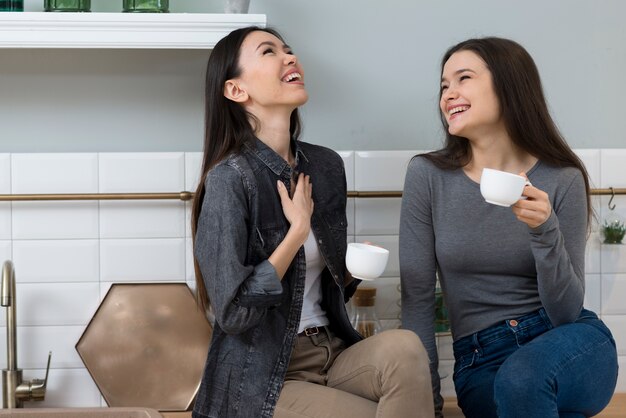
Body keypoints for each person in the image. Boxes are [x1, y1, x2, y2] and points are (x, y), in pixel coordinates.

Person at [191, 26, 434, 418]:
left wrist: (352, 269)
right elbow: (234, 314)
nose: (290, 58)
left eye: (289, 50)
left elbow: (325, 285)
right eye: (269, 52)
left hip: (332, 351)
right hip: (265, 376)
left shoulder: (324, 166)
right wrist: (296, 234)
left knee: (405, 348)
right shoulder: (230, 180)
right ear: (236, 90)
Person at [399, 37, 618, 418]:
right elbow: (416, 299)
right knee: (523, 391)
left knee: (523, 379)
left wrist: (545, 231)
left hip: (566, 342)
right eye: (444, 85)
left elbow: (566, 311)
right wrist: (428, 405)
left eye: (463, 78)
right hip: (482, 360)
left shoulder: (562, 179)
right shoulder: (428, 175)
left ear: (509, 85)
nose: (449, 94)